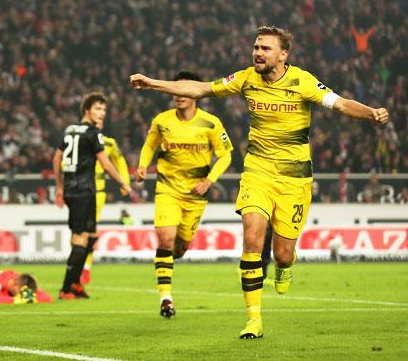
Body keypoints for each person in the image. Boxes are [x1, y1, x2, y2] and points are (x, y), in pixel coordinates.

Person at [130, 26, 389, 338]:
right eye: (256, 47)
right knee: (252, 238)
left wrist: (371, 112)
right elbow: (200, 89)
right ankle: (253, 318)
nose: (258, 53)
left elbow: (341, 104)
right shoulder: (245, 78)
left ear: (283, 55)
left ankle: (284, 265)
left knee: (282, 252)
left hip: (294, 178)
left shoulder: (303, 81)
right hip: (257, 171)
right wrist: (152, 84)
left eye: (266, 48)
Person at [136, 71, 232, 319]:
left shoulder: (211, 123)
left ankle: (171, 259)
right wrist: (143, 166)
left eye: (183, 90)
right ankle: (166, 298)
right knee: (165, 239)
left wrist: (209, 181)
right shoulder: (162, 121)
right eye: (174, 90)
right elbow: (150, 145)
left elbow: (226, 155)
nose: (178, 95)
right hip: (167, 188)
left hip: (195, 194)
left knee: (179, 248)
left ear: (194, 94)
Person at [53, 92, 132, 300]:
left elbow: (56, 157)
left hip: (73, 189)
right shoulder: (93, 132)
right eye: (98, 109)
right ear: (87, 110)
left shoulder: (70, 130)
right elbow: (105, 163)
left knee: (89, 236)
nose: (102, 113)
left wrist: (59, 186)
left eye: (104, 109)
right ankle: (66, 288)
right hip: (84, 190)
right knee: (80, 238)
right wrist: (123, 182)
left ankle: (76, 283)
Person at [80, 114, 131, 286]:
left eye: (100, 121)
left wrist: (125, 181)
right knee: (79, 231)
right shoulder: (80, 138)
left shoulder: (109, 143)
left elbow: (120, 160)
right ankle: (81, 266)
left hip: (97, 192)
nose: (97, 124)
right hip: (79, 190)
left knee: (89, 229)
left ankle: (85, 268)